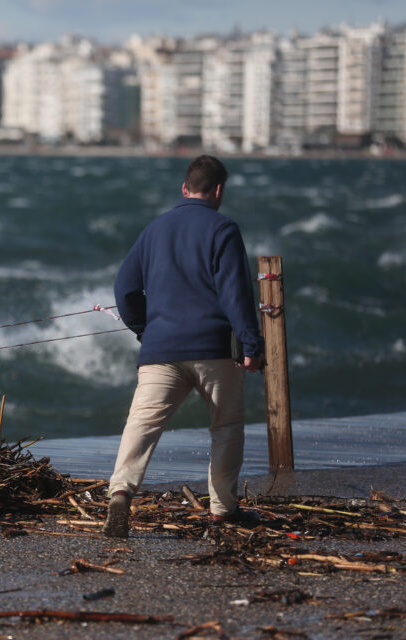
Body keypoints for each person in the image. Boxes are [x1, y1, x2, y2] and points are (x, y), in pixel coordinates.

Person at [103, 154, 265, 538]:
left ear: (184, 188)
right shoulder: (223, 229)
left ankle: (121, 490)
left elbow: (124, 289)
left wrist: (146, 329)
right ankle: (223, 509)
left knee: (142, 425)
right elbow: (236, 294)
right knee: (225, 426)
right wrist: (251, 344)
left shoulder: (154, 230)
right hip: (213, 350)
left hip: (161, 350)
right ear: (219, 191)